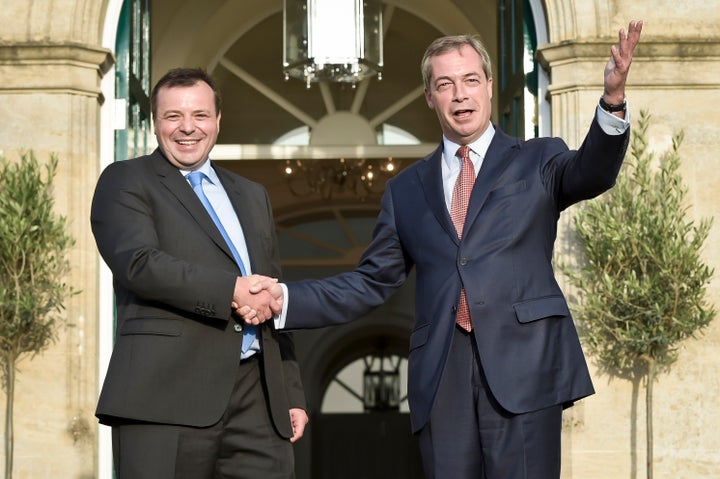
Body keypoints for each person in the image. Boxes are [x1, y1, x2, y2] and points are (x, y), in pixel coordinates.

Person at [243, 20, 643, 479]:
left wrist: (612, 101)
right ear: (429, 97)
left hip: (526, 365)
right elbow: (371, 281)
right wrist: (285, 299)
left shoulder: (538, 158)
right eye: (445, 84)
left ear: (490, 87)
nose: (460, 95)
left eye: (471, 80)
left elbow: (593, 173)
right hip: (442, 374)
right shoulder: (406, 190)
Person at [90, 67, 308, 479]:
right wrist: (232, 291)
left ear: (218, 120)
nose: (187, 128)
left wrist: (290, 391)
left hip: (259, 401)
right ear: (155, 122)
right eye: (173, 116)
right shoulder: (126, 180)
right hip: (164, 396)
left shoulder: (251, 194)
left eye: (200, 115)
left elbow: (272, 292)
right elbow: (139, 263)